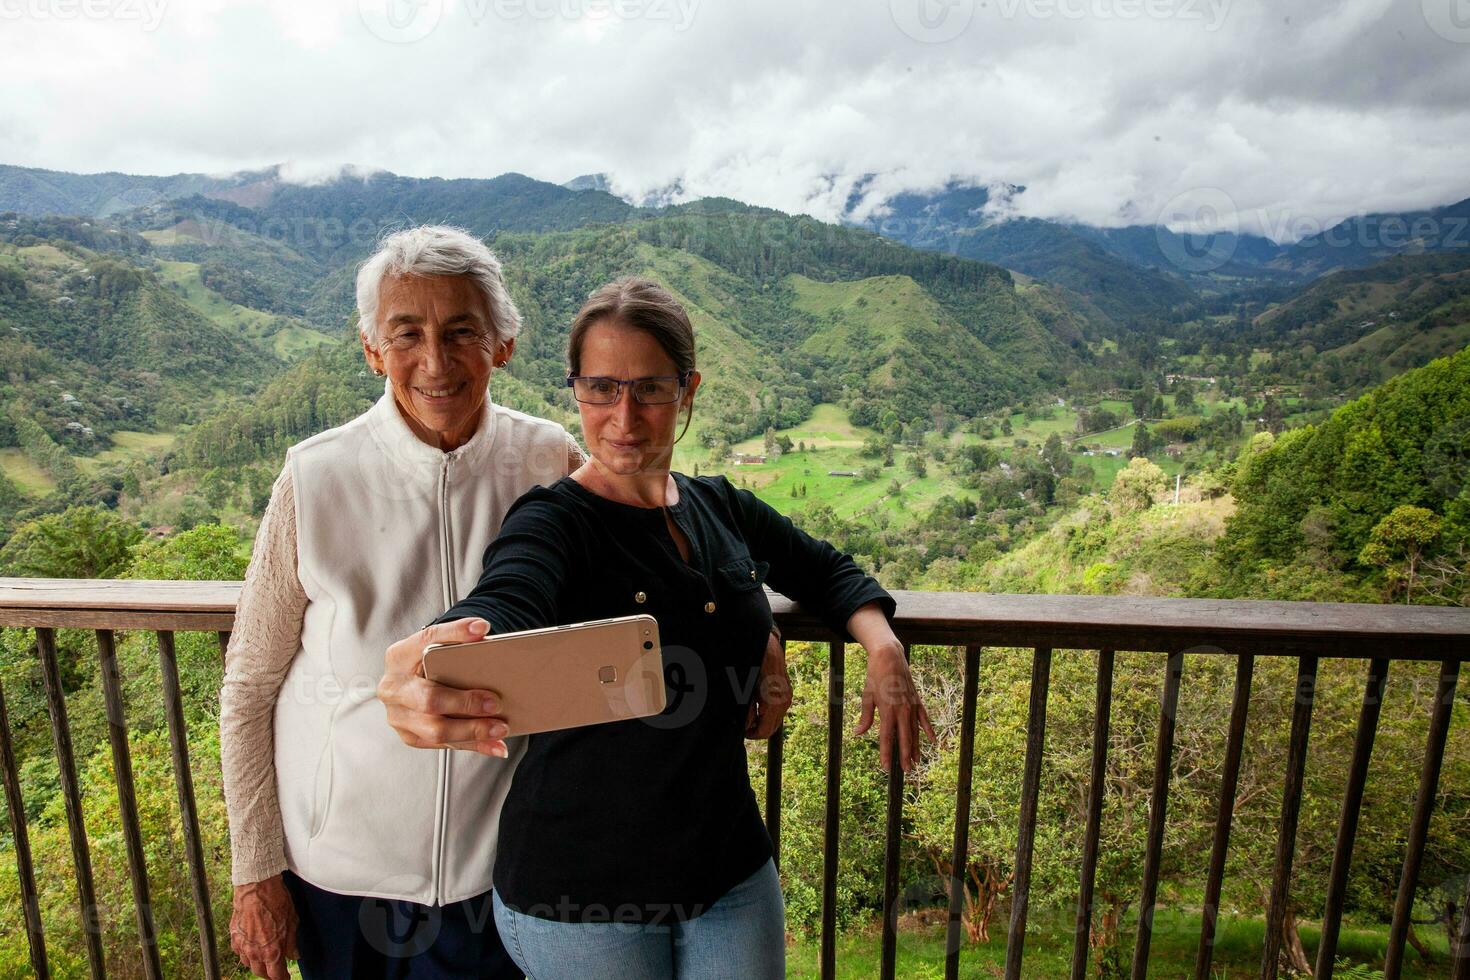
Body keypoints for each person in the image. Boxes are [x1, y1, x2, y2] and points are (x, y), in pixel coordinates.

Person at [378, 276, 935, 977]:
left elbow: (825, 572)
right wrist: (437, 654)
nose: (625, 417)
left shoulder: (717, 506)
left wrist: (879, 647)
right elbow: (508, 598)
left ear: (688, 390)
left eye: (650, 389)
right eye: (602, 388)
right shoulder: (555, 523)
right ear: (575, 389)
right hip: (581, 890)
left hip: (728, 869)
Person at [220, 225, 593, 979]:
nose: (435, 360)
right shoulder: (315, 478)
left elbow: (658, 544)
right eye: (407, 334)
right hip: (340, 878)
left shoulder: (551, 460)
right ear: (371, 349)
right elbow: (250, 684)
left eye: (462, 332)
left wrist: (757, 631)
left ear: (503, 344)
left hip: (502, 875)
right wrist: (255, 873)